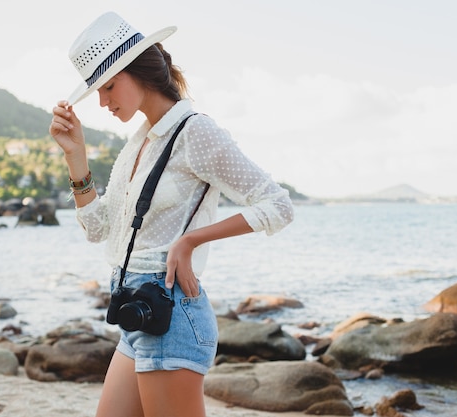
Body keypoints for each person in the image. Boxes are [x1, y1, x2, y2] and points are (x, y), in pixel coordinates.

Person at [50, 12, 294, 417]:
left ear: (140, 70)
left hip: (170, 310)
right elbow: (98, 229)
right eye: (98, 90)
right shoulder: (139, 142)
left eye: (109, 86)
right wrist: (76, 156)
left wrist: (193, 239)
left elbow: (278, 205)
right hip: (134, 309)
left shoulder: (194, 132)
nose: (103, 101)